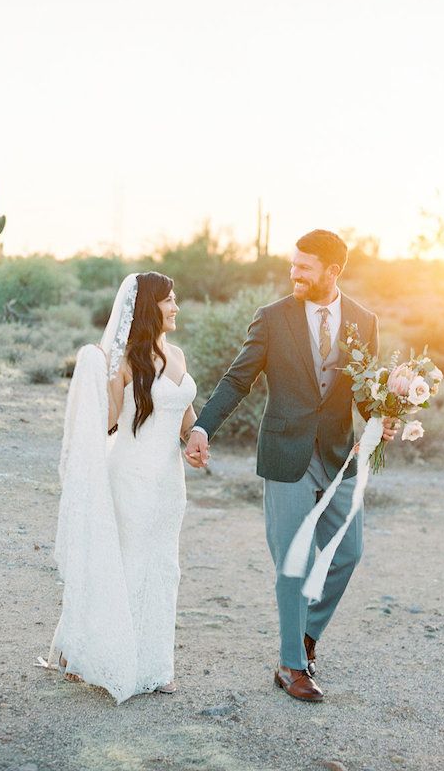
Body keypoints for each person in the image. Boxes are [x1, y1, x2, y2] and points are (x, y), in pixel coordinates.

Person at [184, 230, 398, 702]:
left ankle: (305, 636)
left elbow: (364, 391)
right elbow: (237, 379)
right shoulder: (273, 318)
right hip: (286, 453)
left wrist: (382, 419)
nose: (293, 274)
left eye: (303, 267)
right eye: (293, 265)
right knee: (292, 561)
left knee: (349, 552)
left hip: (339, 455)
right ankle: (290, 665)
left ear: (332, 271)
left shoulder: (364, 320)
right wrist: (201, 428)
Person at [43, 272, 197, 703]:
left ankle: (155, 665)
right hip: (130, 476)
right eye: (169, 300)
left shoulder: (179, 354)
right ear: (150, 307)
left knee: (164, 567)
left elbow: (183, 414)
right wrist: (98, 371)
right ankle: (110, 657)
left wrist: (197, 437)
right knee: (128, 564)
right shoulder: (126, 362)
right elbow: (109, 422)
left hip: (169, 482)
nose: (176, 307)